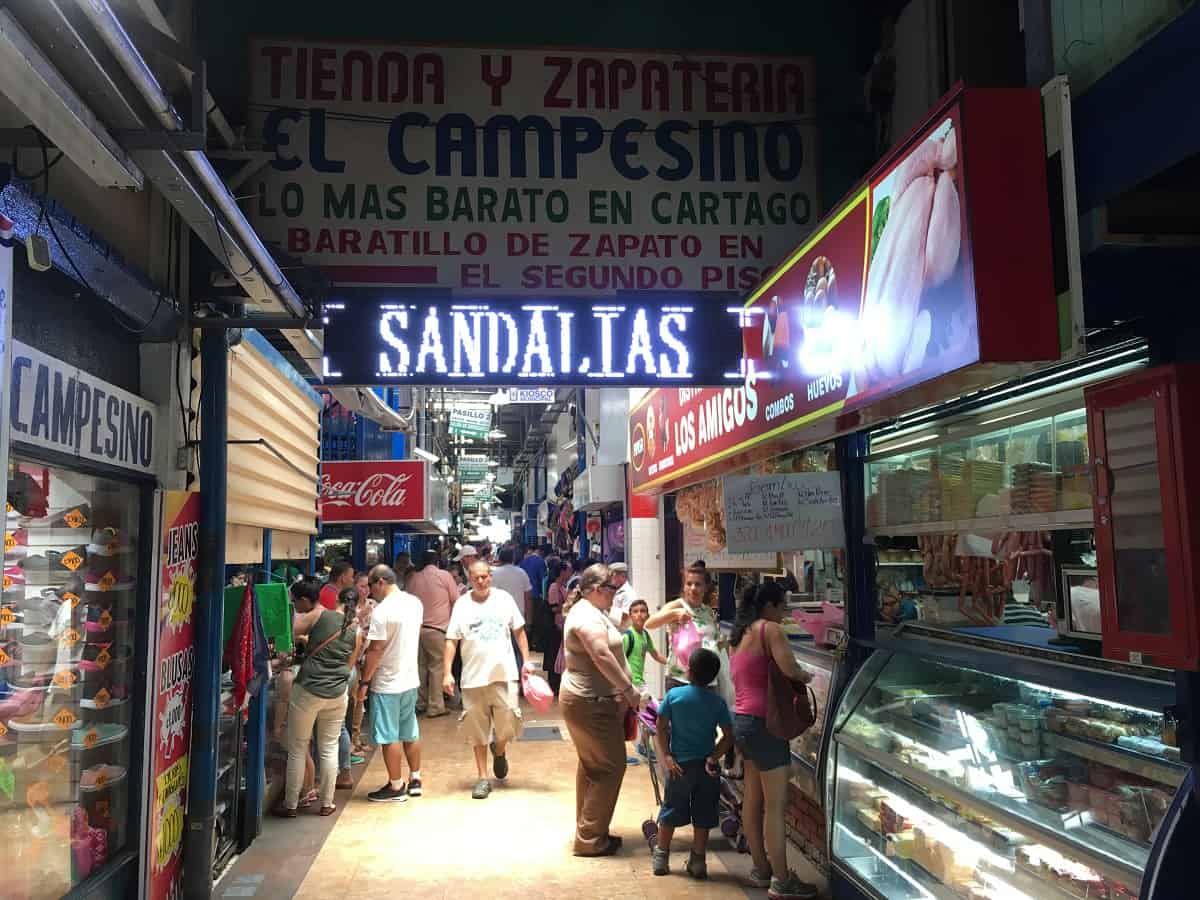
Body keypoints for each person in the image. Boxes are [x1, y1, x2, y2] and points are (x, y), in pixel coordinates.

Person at [729, 582, 817, 900]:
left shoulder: (738, 635)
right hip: (766, 725)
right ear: (769, 606)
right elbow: (790, 668)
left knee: (753, 801)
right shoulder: (770, 630)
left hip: (743, 724)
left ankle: (761, 869)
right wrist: (808, 677)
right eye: (782, 607)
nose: (784, 613)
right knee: (775, 807)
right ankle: (782, 880)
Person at [559, 564, 642, 856]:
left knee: (593, 766)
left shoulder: (593, 611)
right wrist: (628, 691)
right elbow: (601, 654)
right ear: (596, 590)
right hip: (590, 703)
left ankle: (591, 830)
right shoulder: (586, 617)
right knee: (610, 766)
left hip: (590, 701)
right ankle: (591, 839)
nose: (615, 594)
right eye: (611, 589)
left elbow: (626, 623)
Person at [443, 560, 533, 799]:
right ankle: (483, 778)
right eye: (476, 578)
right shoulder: (462, 604)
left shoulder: (504, 599)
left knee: (508, 726)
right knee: (477, 732)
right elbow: (452, 639)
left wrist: (526, 660)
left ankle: (500, 749)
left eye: (484, 577)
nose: (481, 581)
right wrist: (446, 672)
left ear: (490, 577)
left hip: (504, 675)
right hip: (473, 678)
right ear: (469, 579)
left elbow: (519, 631)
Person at [274, 583, 361, 818]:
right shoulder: (357, 629)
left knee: (298, 748)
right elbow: (349, 665)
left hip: (309, 691)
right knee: (329, 748)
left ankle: (291, 804)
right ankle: (327, 803)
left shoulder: (320, 614)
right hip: (336, 694)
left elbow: (287, 632)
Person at [651, 647, 734, 879]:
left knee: (670, 810)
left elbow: (660, 727)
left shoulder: (674, 697)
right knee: (704, 814)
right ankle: (698, 862)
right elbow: (728, 736)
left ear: (688, 672)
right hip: (707, 769)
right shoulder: (717, 702)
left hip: (679, 767)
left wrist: (666, 756)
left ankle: (661, 858)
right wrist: (713, 756)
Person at [360, 565, 424, 802]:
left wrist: (365, 682)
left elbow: (376, 650)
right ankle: (415, 778)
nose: (369, 592)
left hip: (387, 682)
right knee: (410, 731)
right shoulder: (414, 603)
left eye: (370, 586)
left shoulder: (382, 611)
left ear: (380, 583)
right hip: (410, 678)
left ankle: (396, 786)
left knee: (390, 736)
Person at [645, 566, 720, 690]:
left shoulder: (707, 611)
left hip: (707, 679)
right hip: (680, 679)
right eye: (689, 584)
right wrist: (674, 614)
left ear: (705, 588)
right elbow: (649, 623)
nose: (693, 588)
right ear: (684, 587)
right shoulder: (678, 605)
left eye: (698, 584)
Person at [405, 549, 459, 717]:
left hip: (417, 630)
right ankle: (435, 706)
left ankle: (419, 702)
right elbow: (456, 600)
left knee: (420, 667)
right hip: (438, 629)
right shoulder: (444, 576)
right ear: (437, 562)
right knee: (437, 667)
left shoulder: (414, 578)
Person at [348, 572, 373, 753]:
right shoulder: (348, 607)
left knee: (361, 700)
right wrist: (360, 617)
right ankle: (352, 739)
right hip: (352, 660)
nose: (365, 590)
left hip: (368, 658)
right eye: (362, 586)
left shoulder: (375, 606)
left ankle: (356, 736)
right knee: (354, 699)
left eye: (367, 586)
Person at [623, 599, 667, 691]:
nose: (639, 614)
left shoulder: (645, 635)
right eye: (635, 611)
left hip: (640, 683)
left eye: (642, 611)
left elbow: (656, 655)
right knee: (652, 705)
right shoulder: (627, 636)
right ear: (630, 616)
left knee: (651, 704)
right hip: (629, 684)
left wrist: (673, 665)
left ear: (647, 616)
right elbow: (618, 660)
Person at [544, 557, 570, 694]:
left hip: (561, 624)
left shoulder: (562, 587)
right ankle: (554, 684)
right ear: (562, 572)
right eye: (568, 571)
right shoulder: (554, 587)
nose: (570, 573)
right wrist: (567, 605)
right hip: (556, 625)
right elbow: (553, 607)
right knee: (554, 654)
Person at [491, 546, 533, 626]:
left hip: (500, 618)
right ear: (513, 559)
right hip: (518, 617)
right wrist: (529, 619)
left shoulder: (494, 574)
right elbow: (528, 598)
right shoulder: (522, 573)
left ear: (499, 558)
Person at [608, 562, 635, 630]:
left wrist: (606, 608)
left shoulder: (628, 593)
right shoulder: (615, 590)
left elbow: (625, 617)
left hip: (623, 635)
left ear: (621, 576)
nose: (610, 579)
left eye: (612, 575)